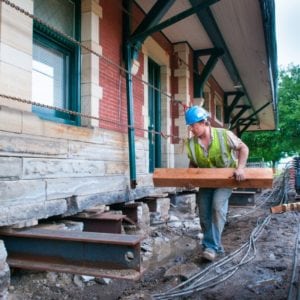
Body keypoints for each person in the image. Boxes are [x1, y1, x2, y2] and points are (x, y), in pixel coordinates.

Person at [185, 105, 249, 261]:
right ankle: (214, 245)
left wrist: (240, 168)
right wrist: (190, 179)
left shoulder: (224, 135)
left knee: (217, 206)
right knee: (204, 213)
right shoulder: (191, 144)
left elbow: (243, 148)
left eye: (193, 125)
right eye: (190, 126)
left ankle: (211, 247)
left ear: (203, 122)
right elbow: (193, 163)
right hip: (206, 182)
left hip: (225, 180)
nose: (191, 129)